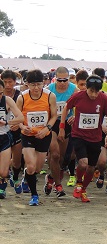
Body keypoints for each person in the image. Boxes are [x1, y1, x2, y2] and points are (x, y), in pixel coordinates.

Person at [58, 75, 107, 203]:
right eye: (91, 91)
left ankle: (83, 189)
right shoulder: (78, 96)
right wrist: (62, 126)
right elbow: (66, 108)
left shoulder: (104, 99)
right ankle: (78, 183)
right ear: (86, 88)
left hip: (95, 137)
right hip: (79, 135)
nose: (94, 94)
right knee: (83, 162)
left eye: (97, 91)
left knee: (90, 167)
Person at [16, 70, 59, 206]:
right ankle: (34, 195)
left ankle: (27, 176)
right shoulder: (22, 98)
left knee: (38, 169)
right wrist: (23, 127)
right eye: (32, 85)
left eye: (39, 84)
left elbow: (54, 116)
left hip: (44, 135)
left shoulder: (50, 96)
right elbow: (17, 118)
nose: (36, 88)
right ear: (27, 84)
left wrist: (47, 128)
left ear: (44, 83)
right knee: (31, 166)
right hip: (28, 135)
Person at [45, 66, 77, 198]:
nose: (63, 83)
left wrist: (75, 115)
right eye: (60, 80)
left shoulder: (73, 89)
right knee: (55, 155)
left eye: (65, 80)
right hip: (53, 122)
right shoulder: (49, 90)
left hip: (67, 123)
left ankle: (51, 177)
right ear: (55, 79)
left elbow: (79, 105)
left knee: (63, 158)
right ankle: (58, 186)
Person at [0, 79, 24, 199]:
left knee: (3, 172)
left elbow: (20, 117)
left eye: (0, 93)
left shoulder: (7, 101)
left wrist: (6, 122)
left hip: (4, 137)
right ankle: (1, 189)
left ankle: (5, 181)